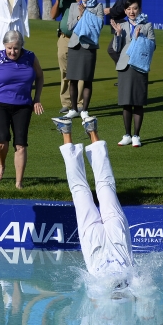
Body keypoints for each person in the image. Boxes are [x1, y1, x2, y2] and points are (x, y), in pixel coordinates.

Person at [52, 115, 134, 283]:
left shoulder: (131, 283)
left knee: (105, 186)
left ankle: (92, 130)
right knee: (80, 191)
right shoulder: (101, 290)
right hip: (95, 245)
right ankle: (66, 132)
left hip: (117, 241)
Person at [0, 30, 44, 189]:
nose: (13, 52)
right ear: (5, 46)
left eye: (16, 48)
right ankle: (1, 165)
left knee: (21, 144)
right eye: (10, 48)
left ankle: (19, 183)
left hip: (23, 105)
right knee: (2, 139)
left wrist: (36, 98)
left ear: (21, 47)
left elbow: (40, 76)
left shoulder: (30, 57)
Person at [111, 0, 155, 148]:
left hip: (140, 67)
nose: (132, 12)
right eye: (129, 9)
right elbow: (116, 49)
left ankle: (136, 135)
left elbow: (152, 46)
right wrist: (117, 34)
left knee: (138, 102)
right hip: (124, 67)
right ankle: (127, 134)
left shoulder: (147, 25)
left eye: (134, 8)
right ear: (125, 11)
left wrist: (139, 38)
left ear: (139, 9)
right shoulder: (121, 25)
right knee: (126, 103)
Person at [62, 0, 104, 122]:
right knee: (72, 79)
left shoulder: (98, 6)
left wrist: (86, 13)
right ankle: (73, 109)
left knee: (87, 79)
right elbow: (69, 26)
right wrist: (80, 16)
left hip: (89, 46)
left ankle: (84, 110)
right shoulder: (74, 7)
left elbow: (98, 26)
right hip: (74, 45)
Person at [50, 0, 84, 114]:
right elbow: (53, 16)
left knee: (80, 72)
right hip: (64, 38)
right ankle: (66, 102)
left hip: (81, 39)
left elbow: (87, 9)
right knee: (64, 71)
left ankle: (80, 103)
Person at [105, 0, 142, 72]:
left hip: (125, 23)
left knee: (113, 49)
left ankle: (127, 70)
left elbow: (124, 7)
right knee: (119, 49)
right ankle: (124, 73)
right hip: (123, 22)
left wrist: (110, 10)